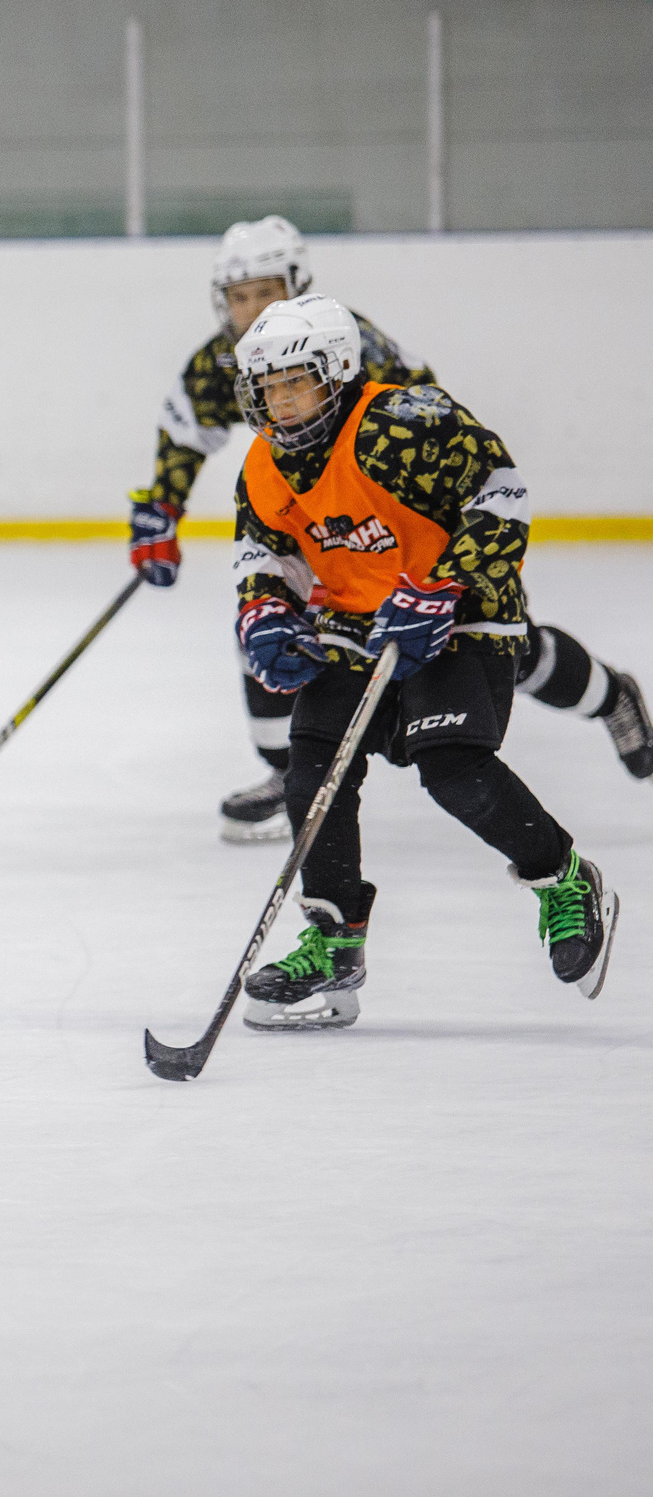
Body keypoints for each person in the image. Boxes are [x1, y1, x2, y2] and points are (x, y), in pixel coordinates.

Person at [127, 217, 648, 842]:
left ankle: (611, 695)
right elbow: (187, 429)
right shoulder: (228, 358)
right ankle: (290, 776)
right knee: (269, 622)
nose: (250, 310)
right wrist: (161, 508)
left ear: (296, 285)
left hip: (410, 520)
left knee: (508, 649)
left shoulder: (351, 348)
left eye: (264, 292)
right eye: (238, 297)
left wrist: (450, 570)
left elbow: (436, 445)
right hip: (324, 525)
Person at [227, 296, 617, 1030]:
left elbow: (502, 492)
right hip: (354, 623)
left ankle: (563, 878)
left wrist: (447, 584)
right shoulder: (263, 465)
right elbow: (266, 553)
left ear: (337, 371)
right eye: (268, 388)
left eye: (295, 382)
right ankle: (334, 939)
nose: (280, 402)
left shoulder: (401, 424)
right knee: (312, 769)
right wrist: (266, 609)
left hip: (460, 614)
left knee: (453, 769)